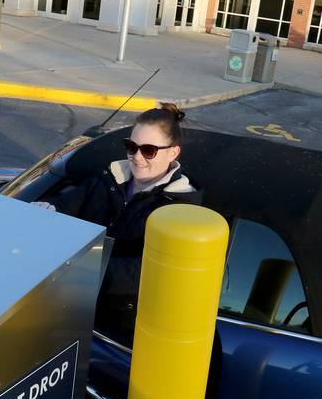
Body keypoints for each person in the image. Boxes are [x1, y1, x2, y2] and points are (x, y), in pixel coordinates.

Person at [33, 103, 201, 345]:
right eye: (131, 147)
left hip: (116, 333)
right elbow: (69, 202)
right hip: (71, 309)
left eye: (149, 150)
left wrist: (81, 268)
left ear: (173, 153)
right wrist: (48, 210)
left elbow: (146, 271)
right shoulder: (109, 178)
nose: (137, 158)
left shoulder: (182, 209)